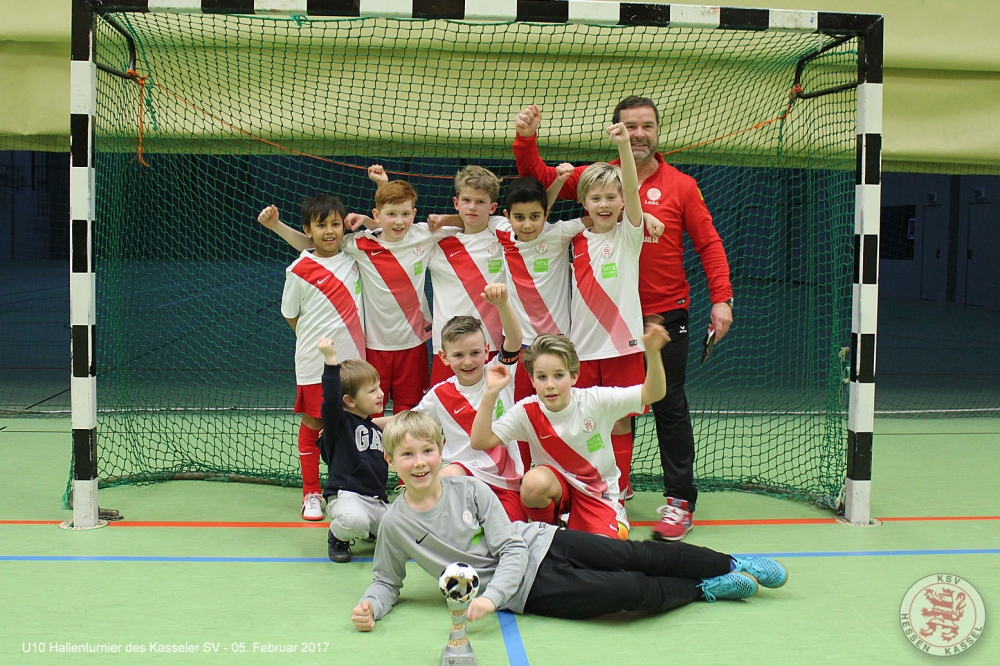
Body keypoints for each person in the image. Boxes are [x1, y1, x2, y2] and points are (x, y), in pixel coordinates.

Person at [513, 97, 734, 541]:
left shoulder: (681, 186)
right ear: (616, 130)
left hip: (661, 316)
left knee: (668, 405)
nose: (638, 134)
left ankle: (679, 501)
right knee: (597, 412)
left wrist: (721, 297)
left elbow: (708, 242)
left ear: (657, 131)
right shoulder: (599, 181)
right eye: (629, 126)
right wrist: (526, 137)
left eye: (646, 125)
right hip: (593, 334)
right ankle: (610, 487)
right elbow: (540, 180)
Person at [351, 410, 787, 630]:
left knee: (634, 555)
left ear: (441, 450)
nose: (420, 462)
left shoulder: (470, 489)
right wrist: (371, 606)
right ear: (390, 461)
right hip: (530, 591)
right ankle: (704, 589)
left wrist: (492, 598)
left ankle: (730, 562)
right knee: (627, 591)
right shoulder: (395, 524)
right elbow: (387, 580)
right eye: (407, 455)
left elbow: (512, 547)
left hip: (542, 542)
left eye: (427, 451)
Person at [260, 167, 459, 416]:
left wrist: (444, 218)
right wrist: (276, 226)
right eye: (392, 215)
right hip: (372, 346)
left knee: (408, 411)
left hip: (414, 342)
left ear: (414, 214)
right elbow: (315, 243)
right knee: (369, 410)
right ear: (378, 214)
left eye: (405, 214)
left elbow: (469, 222)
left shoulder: (423, 235)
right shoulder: (359, 244)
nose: (399, 221)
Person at [471, 325, 666, 539]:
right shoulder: (526, 411)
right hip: (557, 491)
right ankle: (549, 534)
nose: (550, 385)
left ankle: (607, 518)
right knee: (533, 483)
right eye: (542, 377)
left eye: (558, 375)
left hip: (596, 494)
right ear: (532, 379)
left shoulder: (595, 401)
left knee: (600, 552)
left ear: (574, 376)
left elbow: (652, 393)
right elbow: (480, 441)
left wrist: (653, 353)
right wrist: (490, 393)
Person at [565, 122, 650, 524]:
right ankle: (588, 489)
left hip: (623, 348)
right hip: (581, 351)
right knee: (584, 423)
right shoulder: (573, 239)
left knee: (617, 423)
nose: (604, 204)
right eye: (595, 197)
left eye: (611, 197)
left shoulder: (629, 236)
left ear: (621, 202)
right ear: (584, 202)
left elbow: (633, 189)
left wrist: (624, 147)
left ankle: (619, 491)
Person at [263, 194, 365, 521]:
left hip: (354, 362)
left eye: (335, 224)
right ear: (308, 230)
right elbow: (290, 315)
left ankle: (349, 488)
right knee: (313, 422)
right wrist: (313, 342)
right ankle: (311, 492)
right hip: (314, 364)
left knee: (352, 423)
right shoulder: (298, 270)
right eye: (321, 225)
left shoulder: (354, 257)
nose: (330, 231)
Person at [410, 282, 526, 521]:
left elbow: (515, 339)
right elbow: (409, 421)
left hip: (504, 480)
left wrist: (502, 303)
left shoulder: (499, 372)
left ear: (486, 350)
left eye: (474, 353)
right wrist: (360, 420)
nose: (467, 362)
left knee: (509, 532)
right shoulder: (439, 394)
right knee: (448, 475)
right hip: (464, 474)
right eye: (458, 355)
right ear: (444, 357)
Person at [426, 166, 509, 385]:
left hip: (490, 346)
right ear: (456, 203)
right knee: (445, 405)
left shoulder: (503, 237)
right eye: (466, 200)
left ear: (493, 207)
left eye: (480, 202)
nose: (472, 207)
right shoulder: (436, 240)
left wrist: (447, 218)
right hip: (447, 348)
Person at [315, 337, 387, 563]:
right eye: (372, 390)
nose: (380, 393)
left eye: (379, 387)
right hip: (346, 496)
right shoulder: (339, 425)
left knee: (405, 529)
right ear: (349, 401)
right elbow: (331, 401)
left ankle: (370, 530)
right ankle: (338, 536)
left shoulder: (374, 428)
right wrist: (330, 360)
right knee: (355, 521)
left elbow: (400, 422)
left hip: (376, 500)